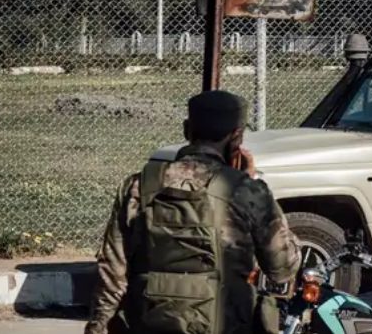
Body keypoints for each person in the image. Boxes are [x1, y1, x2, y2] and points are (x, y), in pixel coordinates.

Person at [85, 90, 302, 334]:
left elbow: (113, 269)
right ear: (237, 138)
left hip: (149, 322)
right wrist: (255, 186)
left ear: (187, 129)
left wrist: (98, 327)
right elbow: (283, 268)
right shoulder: (246, 191)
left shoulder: (139, 186)